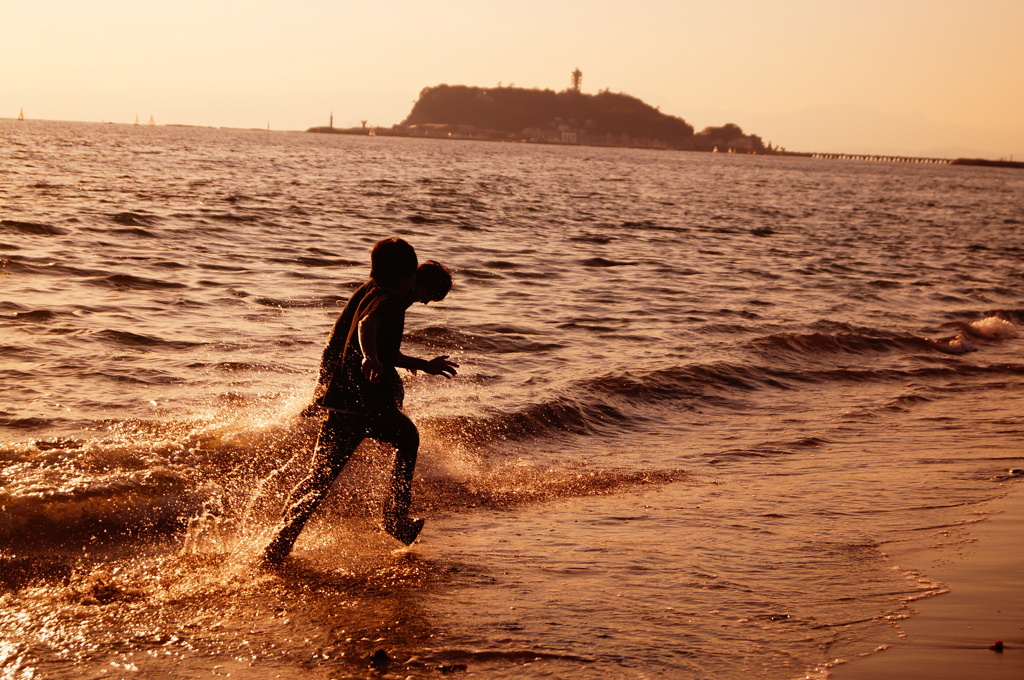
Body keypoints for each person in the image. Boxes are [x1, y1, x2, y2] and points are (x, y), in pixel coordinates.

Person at [262, 247, 457, 565]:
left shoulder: (371, 290)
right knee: (407, 437)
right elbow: (367, 328)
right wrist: (371, 357)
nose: (423, 302)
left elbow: (345, 339)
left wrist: (418, 363)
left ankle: (278, 543)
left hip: (343, 398)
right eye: (427, 295)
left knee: (319, 477)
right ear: (413, 278)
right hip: (361, 400)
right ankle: (394, 517)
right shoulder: (392, 300)